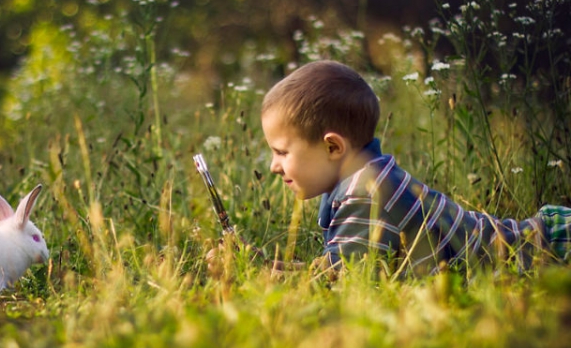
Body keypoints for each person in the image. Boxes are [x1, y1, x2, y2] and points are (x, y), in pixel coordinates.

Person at [217, 59, 571, 277]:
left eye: (281, 151)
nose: (273, 166)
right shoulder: (369, 179)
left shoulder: (366, 194)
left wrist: (261, 276)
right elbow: (338, 266)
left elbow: (345, 284)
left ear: (332, 146)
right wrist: (262, 263)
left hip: (548, 252)